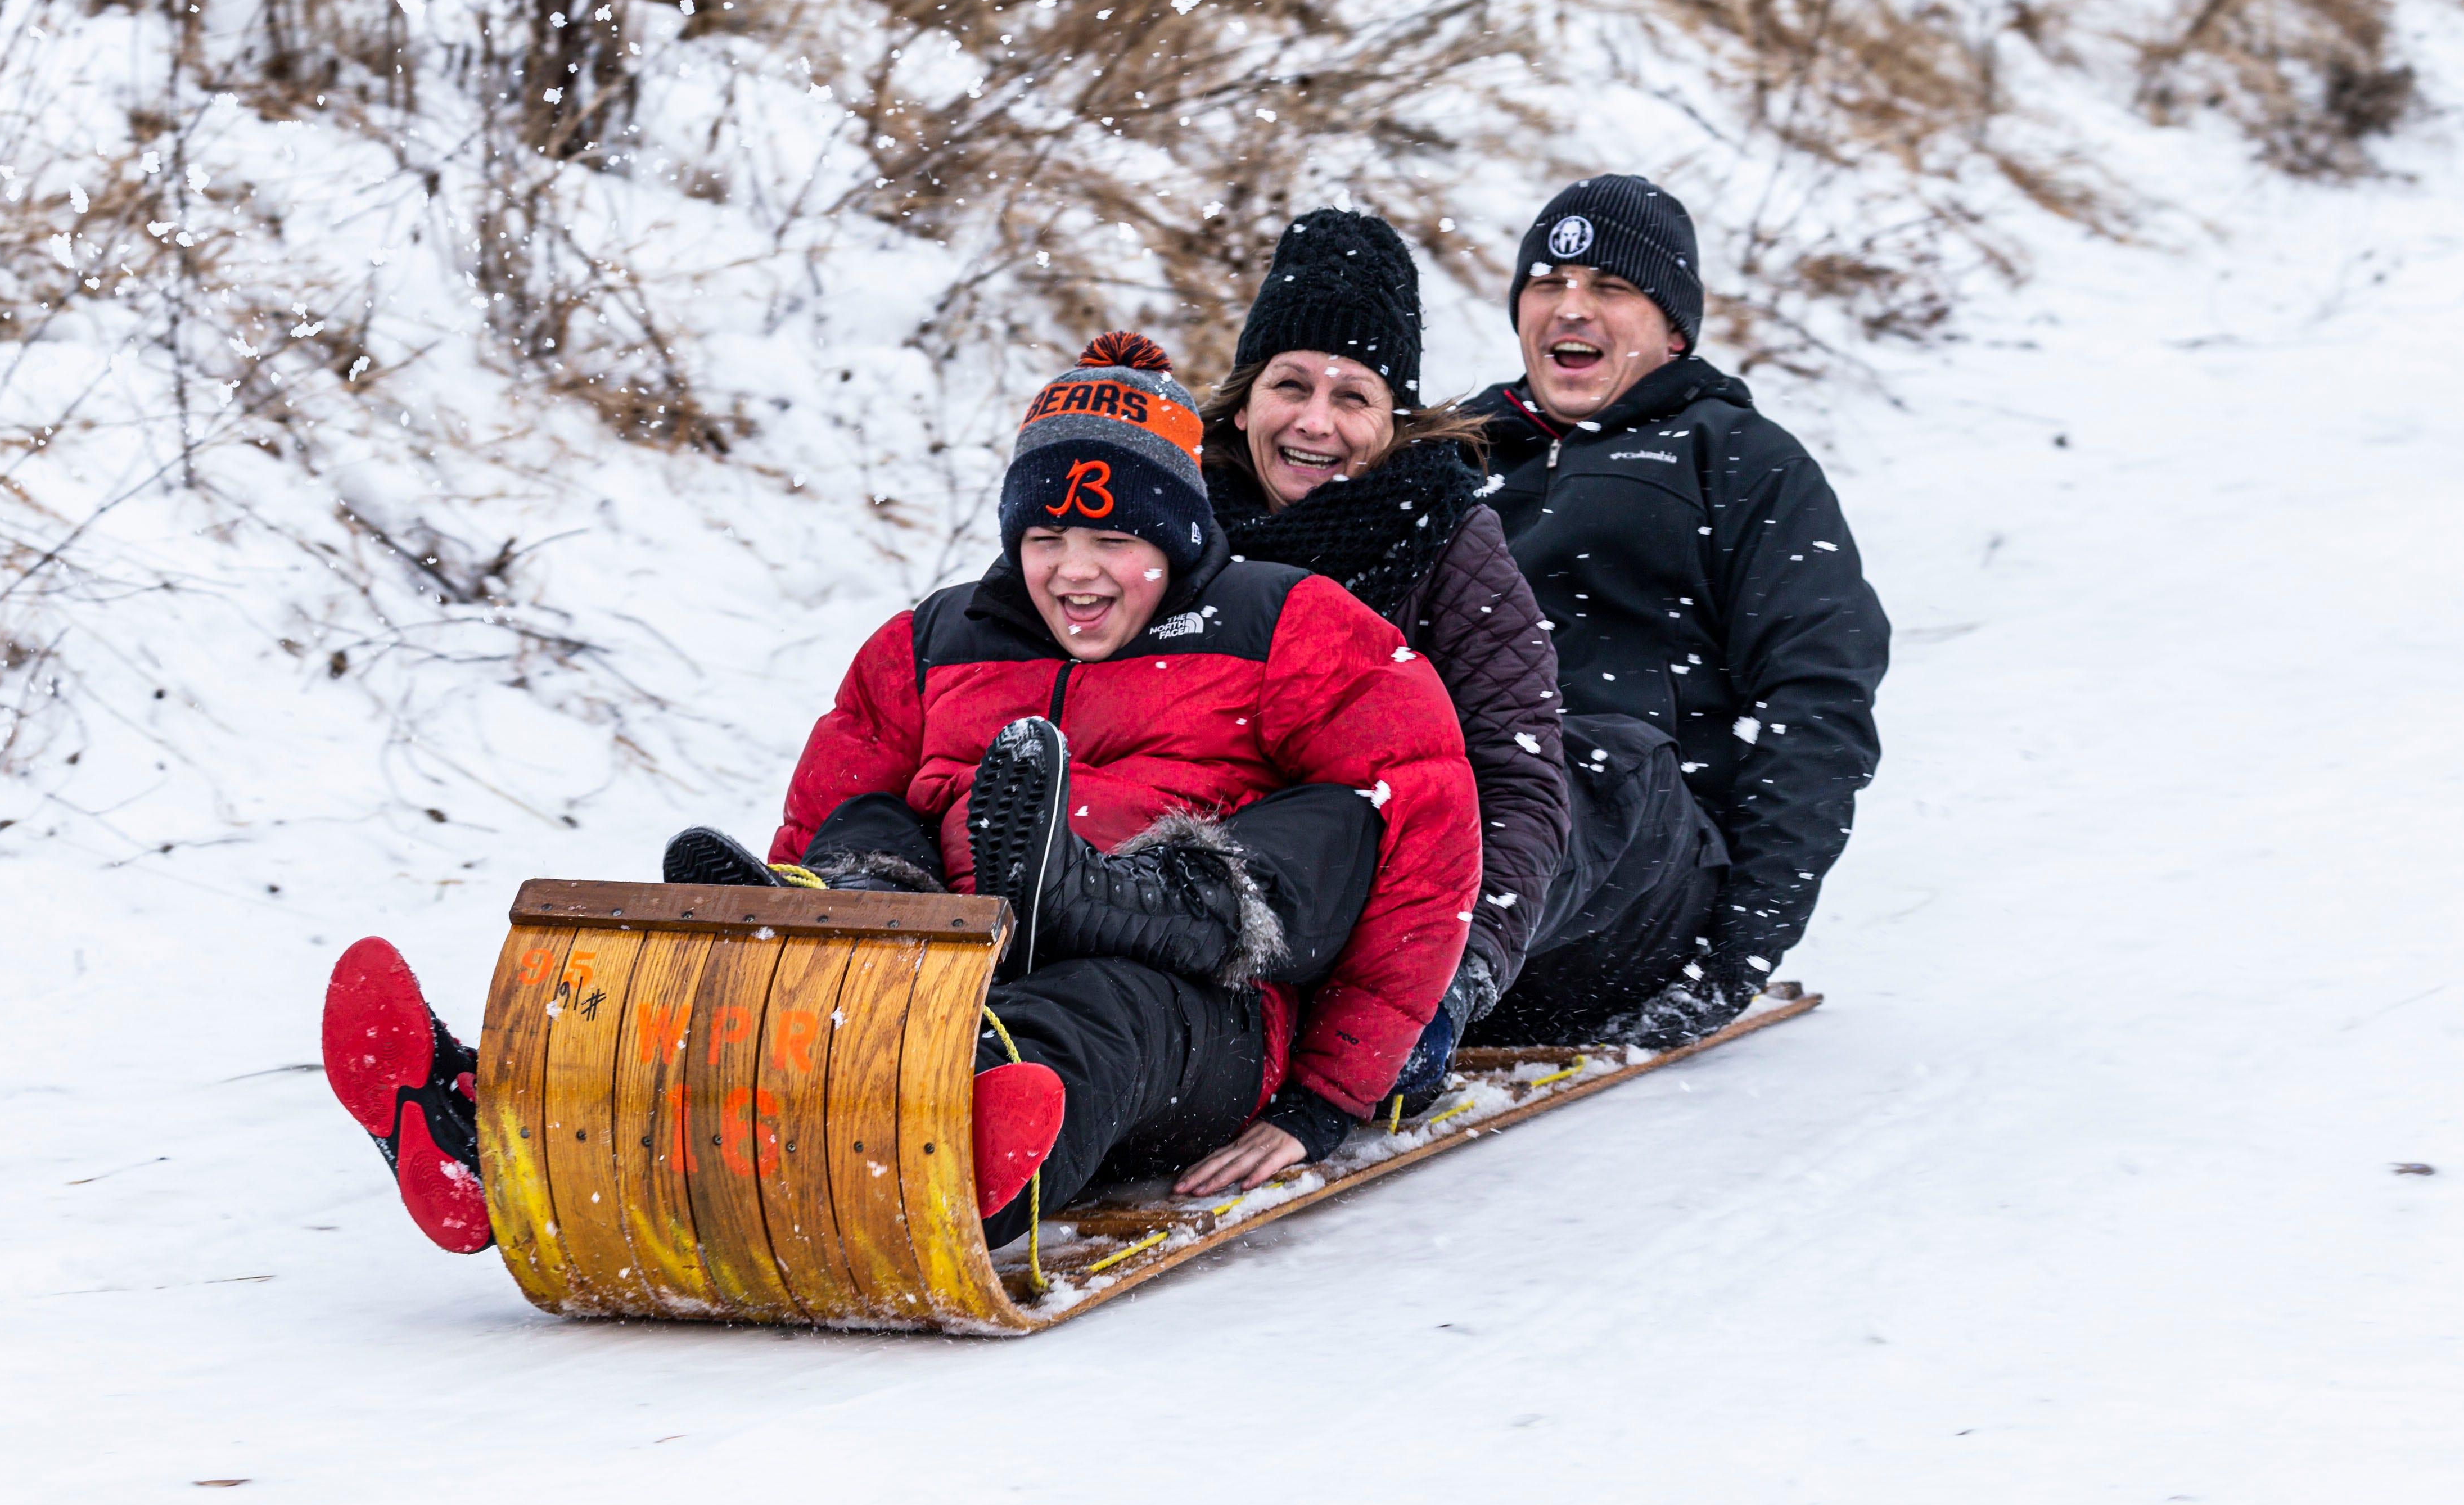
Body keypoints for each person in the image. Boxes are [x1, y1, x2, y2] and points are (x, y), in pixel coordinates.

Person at [322, 332, 1481, 1255]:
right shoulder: (931, 643)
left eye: (1118, 538)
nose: (1076, 571)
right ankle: (497, 1141)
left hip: (1194, 1005)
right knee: (833, 903)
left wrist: (1330, 1097)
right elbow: (820, 812)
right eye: (1048, 536)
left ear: (1178, 538)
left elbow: (1425, 833)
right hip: (932, 977)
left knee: (1123, 994)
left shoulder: (1289, 626)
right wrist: (802, 928)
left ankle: (967, 1136)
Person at [1470, 174, 1891, 1050]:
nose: (1571, 308)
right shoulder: (1452, 453)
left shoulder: (1738, 459)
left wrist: (1733, 957)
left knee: (1581, 759)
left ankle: (1424, 978)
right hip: (1455, 823)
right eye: (1547, 284)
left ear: (1673, 329)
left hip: (1640, 887)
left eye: (1610, 289)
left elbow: (1818, 698)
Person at [1200, 207, 1567, 1100]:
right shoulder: (1175, 525)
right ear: (1246, 397)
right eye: (1291, 385)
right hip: (1191, 884)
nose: (1315, 422)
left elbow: (1518, 779)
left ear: (1395, 419)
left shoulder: (1444, 539)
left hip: (1371, 907)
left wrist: (1452, 979)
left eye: (1353, 395)